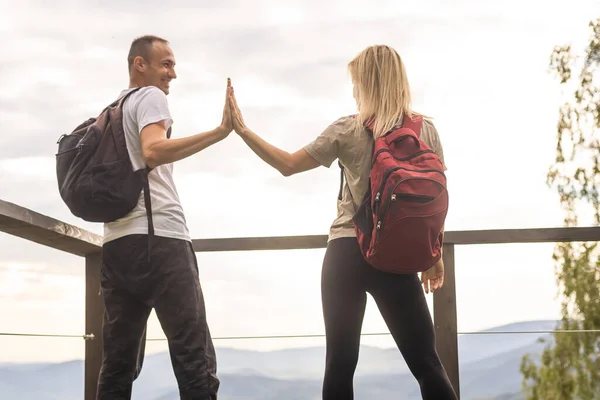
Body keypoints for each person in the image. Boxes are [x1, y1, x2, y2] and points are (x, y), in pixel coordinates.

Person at [227, 44, 458, 399]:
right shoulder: (425, 131)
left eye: (356, 83)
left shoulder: (347, 129)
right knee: (427, 363)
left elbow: (288, 164)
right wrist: (433, 254)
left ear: (366, 84)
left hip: (347, 252)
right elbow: (433, 198)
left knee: (340, 364)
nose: (354, 91)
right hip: (398, 257)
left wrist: (242, 130)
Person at [97, 35, 230, 400]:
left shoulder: (111, 111)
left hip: (116, 247)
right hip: (161, 243)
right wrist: (219, 132)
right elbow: (153, 150)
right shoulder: (149, 97)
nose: (173, 73)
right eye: (166, 64)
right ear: (140, 65)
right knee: (193, 358)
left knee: (117, 365)